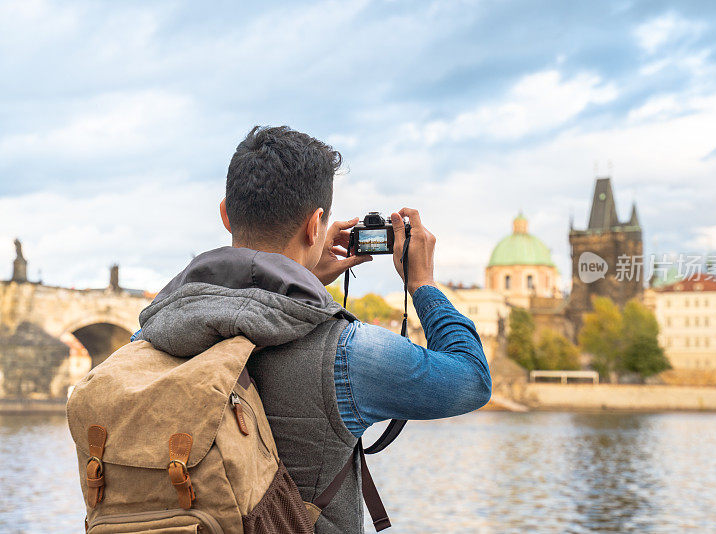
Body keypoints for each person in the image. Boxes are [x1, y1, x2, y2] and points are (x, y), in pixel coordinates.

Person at [133, 125, 491, 533]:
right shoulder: (346, 354)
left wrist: (300, 276)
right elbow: (472, 378)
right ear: (315, 224)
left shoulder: (155, 332)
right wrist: (421, 284)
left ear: (226, 213)